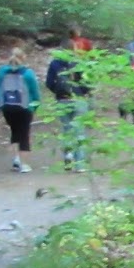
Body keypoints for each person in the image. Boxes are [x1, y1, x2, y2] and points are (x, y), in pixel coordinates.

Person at [45, 36, 92, 171]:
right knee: (79, 132)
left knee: (66, 130)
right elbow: (87, 83)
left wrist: (58, 92)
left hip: (62, 100)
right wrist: (81, 92)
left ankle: (68, 157)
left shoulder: (55, 64)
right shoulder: (79, 62)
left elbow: (49, 83)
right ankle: (80, 164)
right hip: (78, 100)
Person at [0, 47, 42, 173]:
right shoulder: (28, 73)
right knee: (24, 134)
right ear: (23, 58)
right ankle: (24, 164)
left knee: (14, 132)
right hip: (24, 107)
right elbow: (35, 92)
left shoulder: (1, 72)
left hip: (7, 107)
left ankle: (16, 160)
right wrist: (35, 106)